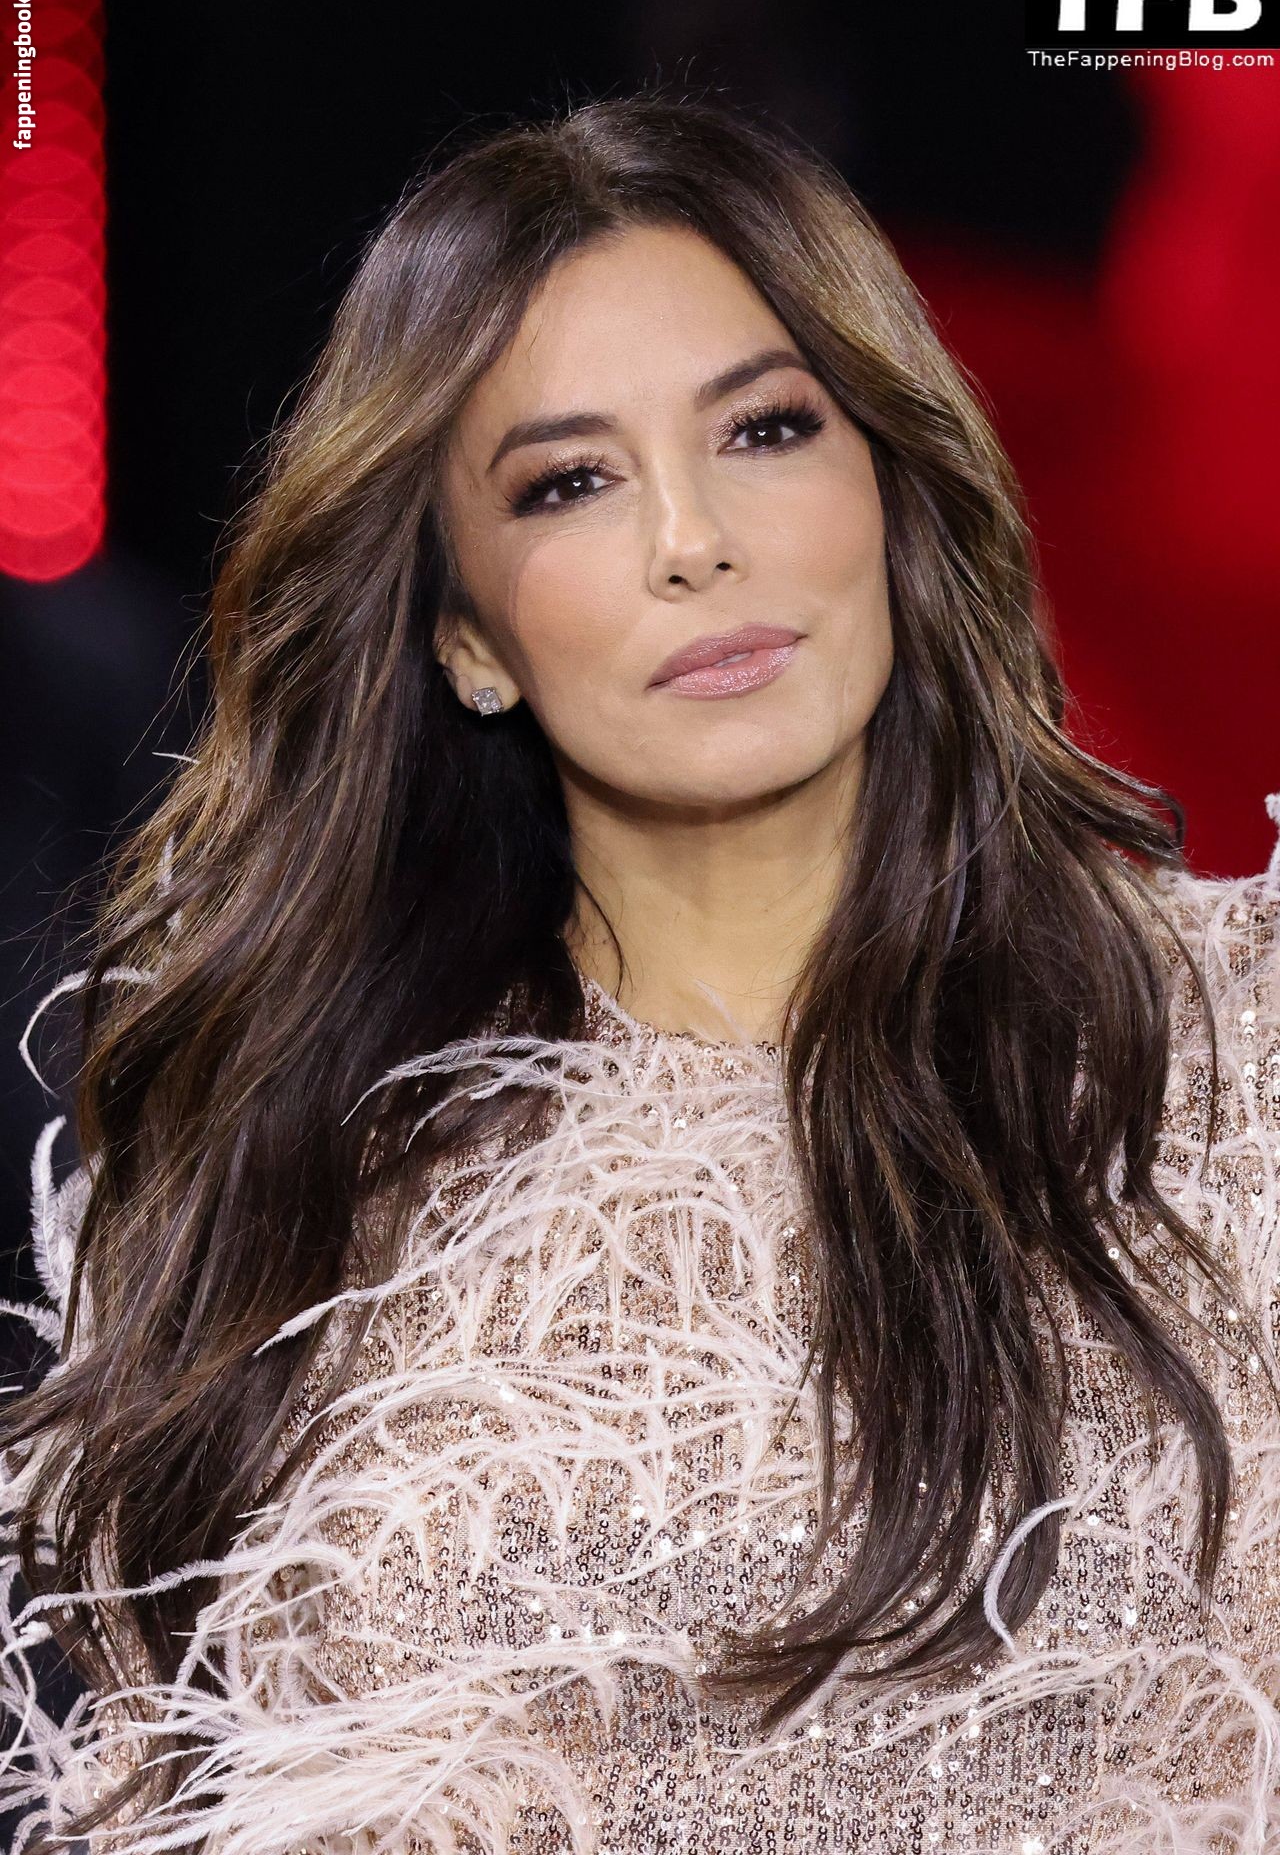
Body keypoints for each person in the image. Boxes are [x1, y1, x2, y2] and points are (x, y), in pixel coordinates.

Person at [2, 89, 1278, 1855]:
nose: (695, 537)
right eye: (572, 482)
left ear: (892, 490)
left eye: (766, 430)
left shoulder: (1231, 1072)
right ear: (468, 634)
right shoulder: (314, 1205)